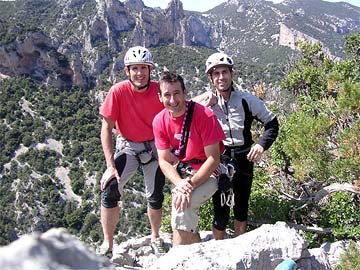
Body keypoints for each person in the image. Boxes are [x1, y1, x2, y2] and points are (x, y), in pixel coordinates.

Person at [199, 52, 279, 239]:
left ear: (232, 73)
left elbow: (272, 123)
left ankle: (239, 248)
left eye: (224, 72)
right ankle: (220, 249)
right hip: (220, 159)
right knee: (221, 209)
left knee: (241, 207)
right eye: (216, 73)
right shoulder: (207, 104)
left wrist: (261, 145)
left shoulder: (246, 100)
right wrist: (202, 101)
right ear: (211, 78)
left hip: (244, 158)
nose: (221, 77)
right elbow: (180, 111)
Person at [98, 46, 166, 257]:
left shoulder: (159, 90)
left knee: (155, 196)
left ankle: (155, 238)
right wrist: (110, 166)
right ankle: (107, 244)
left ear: (150, 69)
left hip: (154, 147)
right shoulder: (118, 91)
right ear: (127, 71)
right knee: (109, 189)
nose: (139, 73)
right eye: (134, 68)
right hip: (128, 145)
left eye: (143, 68)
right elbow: (106, 129)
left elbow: (178, 106)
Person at [152, 71, 225, 246]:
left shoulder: (204, 115)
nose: (172, 100)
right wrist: (179, 183)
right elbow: (163, 160)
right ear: (160, 97)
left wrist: (189, 186)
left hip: (211, 172)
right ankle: (195, 253)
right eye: (167, 95)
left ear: (185, 93)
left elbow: (213, 158)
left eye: (176, 93)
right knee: (181, 205)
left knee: (183, 205)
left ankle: (179, 257)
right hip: (185, 172)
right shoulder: (159, 121)